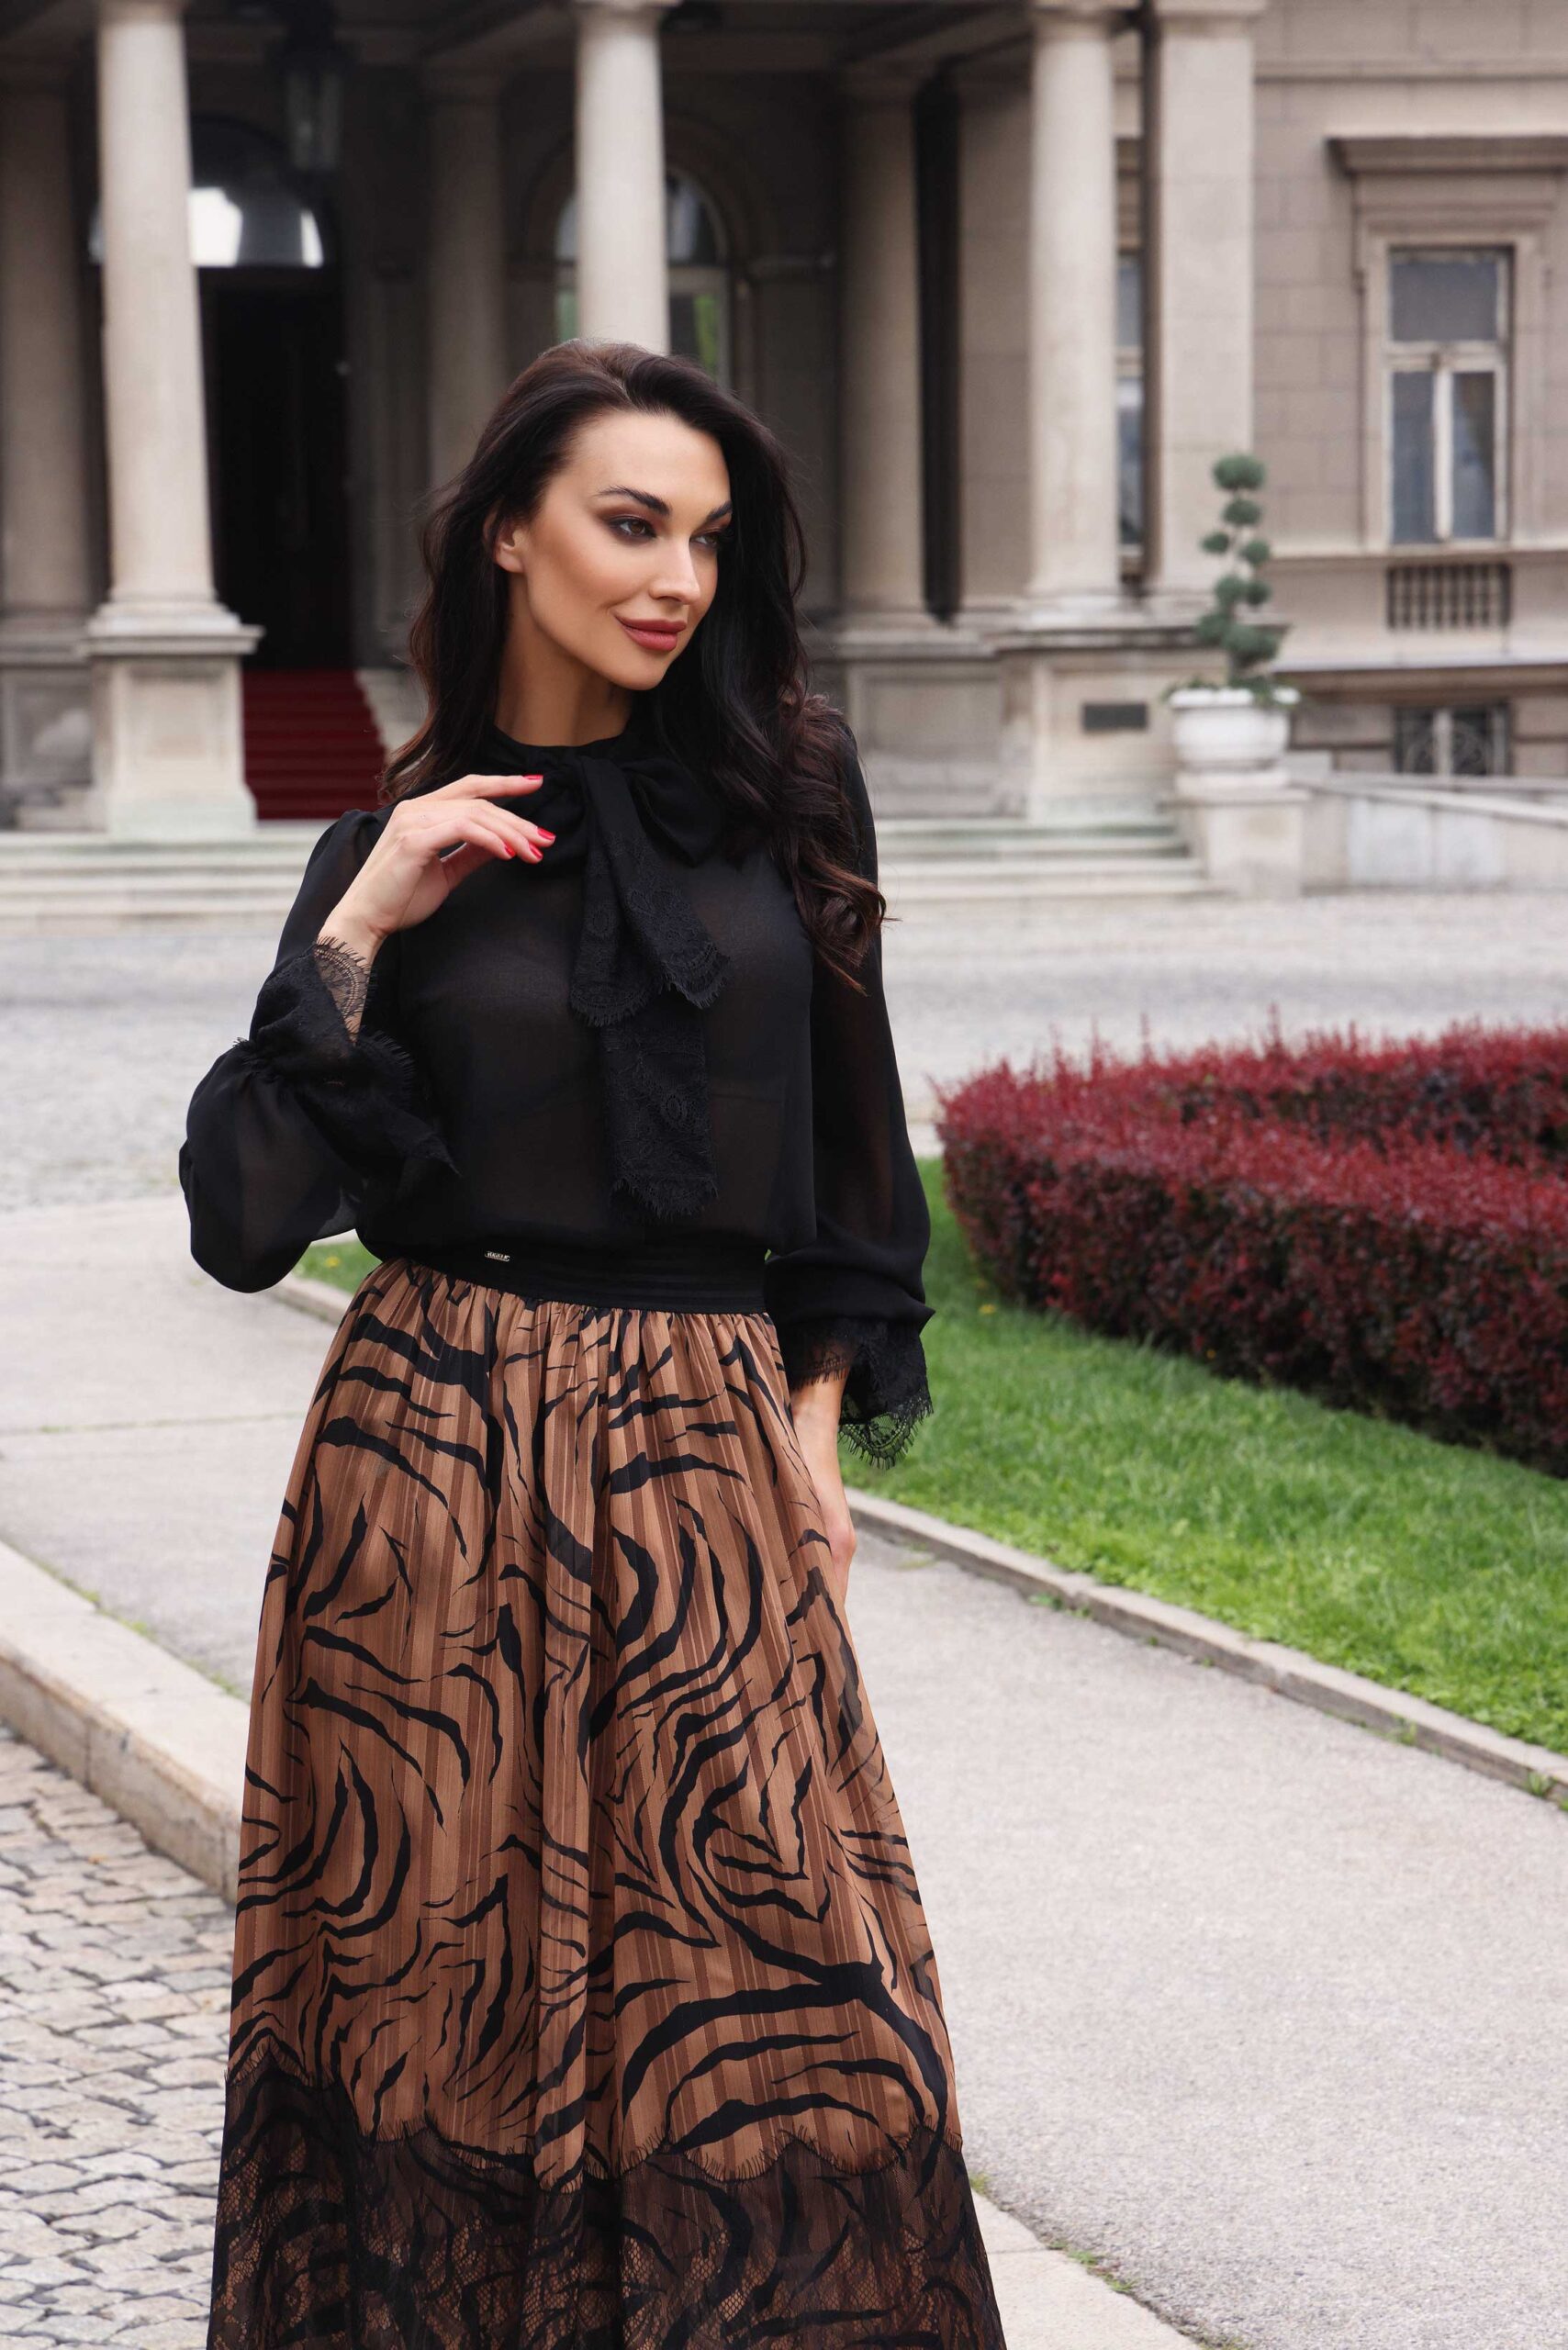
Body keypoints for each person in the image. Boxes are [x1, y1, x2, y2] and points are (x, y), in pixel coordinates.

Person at [181, 338, 1007, 2349]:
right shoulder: (396, 846)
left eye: (706, 539)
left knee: (797, 2002)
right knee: (441, 1992)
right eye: (632, 524)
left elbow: (852, 1158)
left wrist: (813, 1432)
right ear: (505, 535)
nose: (677, 579)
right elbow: (243, 1216)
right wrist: (363, 922)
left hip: (706, 1443)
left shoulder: (783, 796)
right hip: (429, 1472)